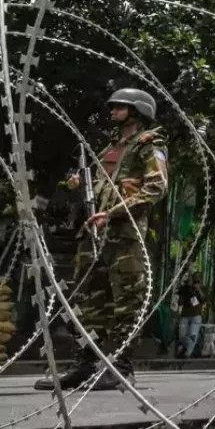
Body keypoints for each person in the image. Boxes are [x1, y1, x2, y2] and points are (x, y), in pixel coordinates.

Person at [34, 88, 169, 392]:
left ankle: (120, 367)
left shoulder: (149, 146)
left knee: (126, 303)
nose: (113, 111)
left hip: (124, 236)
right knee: (88, 303)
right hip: (93, 235)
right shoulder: (109, 149)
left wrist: (114, 212)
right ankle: (88, 364)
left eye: (119, 107)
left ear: (137, 111)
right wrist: (78, 183)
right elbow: (98, 185)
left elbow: (156, 187)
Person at [176, 274, 205, 358]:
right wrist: (184, 295)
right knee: (182, 335)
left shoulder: (202, 289)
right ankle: (184, 347)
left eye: (198, 281)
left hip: (196, 315)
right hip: (185, 314)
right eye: (195, 280)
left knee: (193, 334)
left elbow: (203, 299)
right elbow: (180, 302)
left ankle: (187, 353)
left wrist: (198, 289)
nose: (196, 282)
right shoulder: (185, 288)